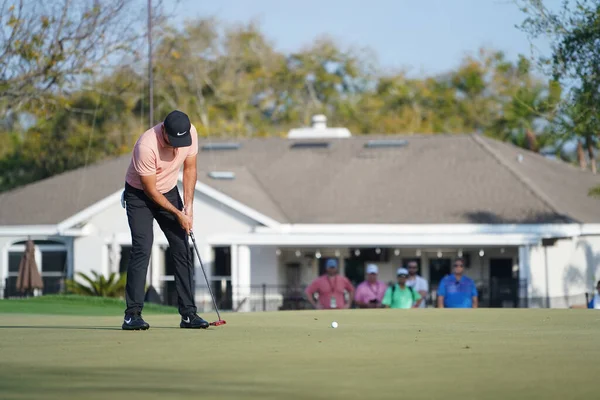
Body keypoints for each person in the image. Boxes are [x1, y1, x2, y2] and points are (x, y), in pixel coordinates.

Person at [121, 110, 209, 330]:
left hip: (169, 190)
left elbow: (190, 169)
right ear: (164, 132)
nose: (179, 146)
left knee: (181, 246)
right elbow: (150, 191)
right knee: (142, 247)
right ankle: (132, 315)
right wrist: (178, 214)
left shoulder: (191, 133)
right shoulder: (146, 146)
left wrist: (188, 207)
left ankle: (189, 314)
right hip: (140, 194)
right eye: (174, 141)